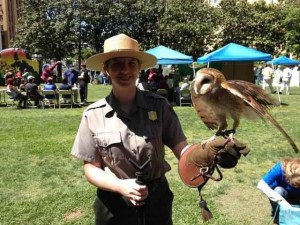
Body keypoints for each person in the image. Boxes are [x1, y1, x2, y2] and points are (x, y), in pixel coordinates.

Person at [70, 34, 246, 225]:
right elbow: (91, 168)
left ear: (139, 68)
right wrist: (120, 186)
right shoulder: (93, 114)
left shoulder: (159, 106)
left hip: (157, 202)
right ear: (106, 69)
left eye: (131, 63)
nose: (125, 70)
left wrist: (207, 153)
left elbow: (182, 150)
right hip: (114, 206)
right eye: (117, 64)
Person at [257, 158, 300, 225]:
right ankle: (277, 219)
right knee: (278, 191)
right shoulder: (281, 167)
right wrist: (281, 200)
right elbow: (261, 184)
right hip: (283, 196)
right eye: (296, 184)